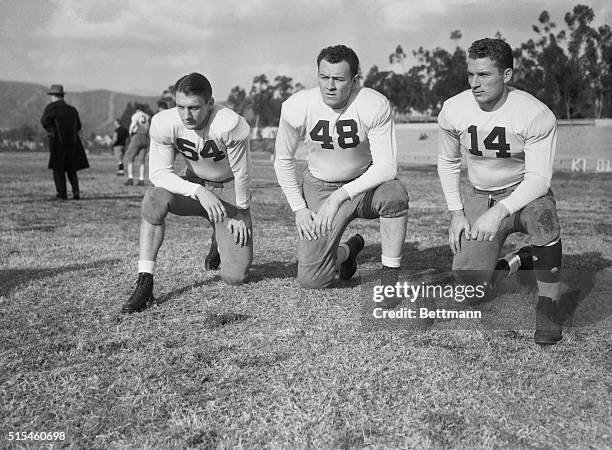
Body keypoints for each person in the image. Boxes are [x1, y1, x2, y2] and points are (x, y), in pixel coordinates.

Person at [437, 38, 563, 345]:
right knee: (472, 291)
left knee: (543, 217)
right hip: (479, 194)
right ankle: (516, 261)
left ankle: (548, 305)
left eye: (484, 75)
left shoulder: (534, 113)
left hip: (523, 194)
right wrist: (456, 213)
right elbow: (448, 160)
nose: (475, 84)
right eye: (471, 75)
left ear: (506, 75)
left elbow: (538, 180)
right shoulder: (453, 109)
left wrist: (501, 210)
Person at [274, 45, 409, 295]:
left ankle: (390, 275)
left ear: (355, 80)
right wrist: (299, 208)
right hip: (319, 186)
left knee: (394, 195)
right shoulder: (297, 106)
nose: (330, 86)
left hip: (364, 185)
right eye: (324, 77)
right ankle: (347, 251)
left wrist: (339, 197)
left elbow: (386, 167)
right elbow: (282, 160)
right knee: (313, 280)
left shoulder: (372, 103)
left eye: (338, 79)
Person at [121, 73, 253, 313]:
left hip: (228, 188)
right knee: (153, 198)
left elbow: (242, 173)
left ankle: (218, 239)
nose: (186, 115)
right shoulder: (164, 123)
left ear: (210, 104)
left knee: (236, 277)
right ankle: (145, 280)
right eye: (180, 107)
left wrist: (241, 211)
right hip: (194, 185)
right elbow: (159, 174)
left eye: (193, 108)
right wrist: (198, 190)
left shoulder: (230, 124)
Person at [40, 84, 89, 200]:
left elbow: (44, 121)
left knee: (58, 168)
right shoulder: (72, 110)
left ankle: (62, 193)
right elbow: (79, 126)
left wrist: (52, 131)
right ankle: (76, 192)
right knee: (71, 168)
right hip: (72, 142)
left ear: (53, 96)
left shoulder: (51, 108)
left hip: (58, 141)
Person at [124, 103, 151, 186]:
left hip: (137, 136)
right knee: (142, 160)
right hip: (146, 137)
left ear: (137, 110)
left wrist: (130, 133)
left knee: (130, 158)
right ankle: (141, 179)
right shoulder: (148, 117)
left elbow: (133, 124)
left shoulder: (136, 115)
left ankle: (130, 178)